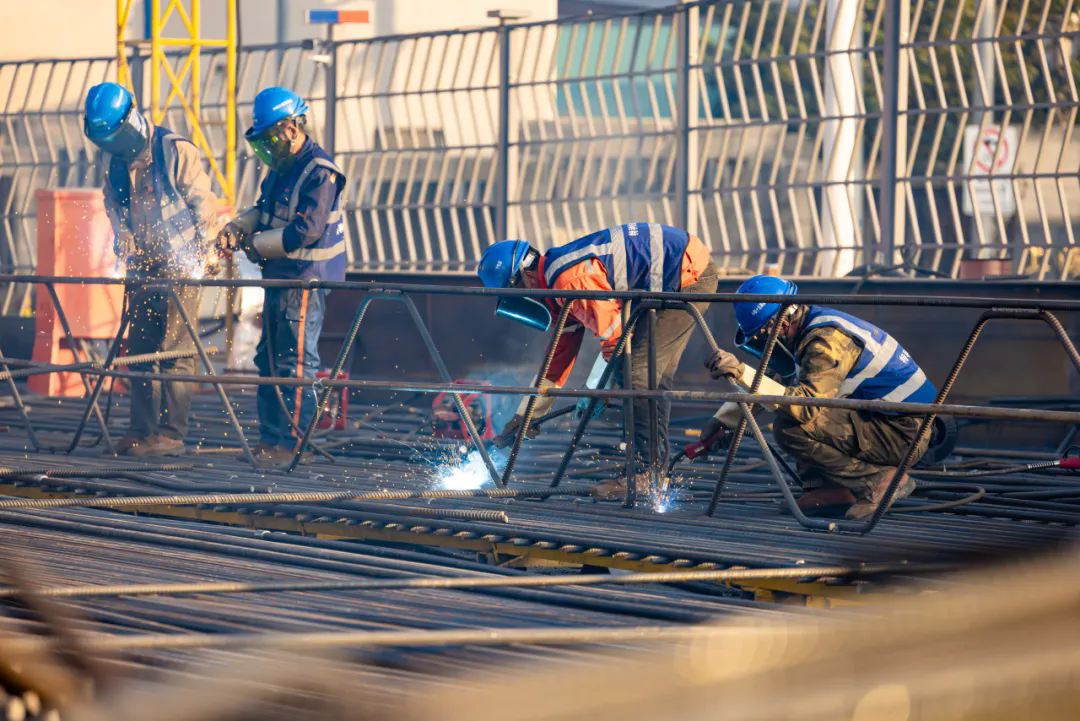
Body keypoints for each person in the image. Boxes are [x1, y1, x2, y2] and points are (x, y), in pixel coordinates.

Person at [477, 223, 719, 499]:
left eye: (517, 293)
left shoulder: (569, 281)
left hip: (687, 275)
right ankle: (652, 473)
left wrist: (596, 390)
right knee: (650, 378)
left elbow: (616, 338)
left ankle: (645, 473)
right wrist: (527, 415)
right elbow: (559, 357)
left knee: (637, 376)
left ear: (527, 277)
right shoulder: (556, 286)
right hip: (676, 275)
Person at [699, 274, 936, 520]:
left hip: (903, 433)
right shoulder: (806, 330)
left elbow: (806, 405)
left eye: (762, 336)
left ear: (778, 325)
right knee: (790, 411)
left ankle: (880, 481)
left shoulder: (826, 340)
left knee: (791, 425)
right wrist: (723, 422)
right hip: (882, 421)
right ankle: (831, 492)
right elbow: (775, 381)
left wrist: (740, 372)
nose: (766, 343)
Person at [84, 82, 220, 457]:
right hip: (144, 266)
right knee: (141, 349)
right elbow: (114, 205)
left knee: (176, 350)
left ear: (132, 122)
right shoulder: (116, 161)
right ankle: (141, 430)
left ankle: (171, 434)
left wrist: (205, 252)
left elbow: (202, 203)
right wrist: (124, 238)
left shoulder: (175, 151)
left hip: (181, 265)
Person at [215, 87, 346, 466]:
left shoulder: (321, 174)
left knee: (295, 364)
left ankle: (292, 445)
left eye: (273, 137)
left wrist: (254, 244)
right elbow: (265, 209)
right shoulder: (281, 169)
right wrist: (238, 227)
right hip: (278, 279)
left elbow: (303, 232)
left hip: (304, 280)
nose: (269, 147)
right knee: (268, 360)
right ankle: (270, 440)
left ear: (292, 128)